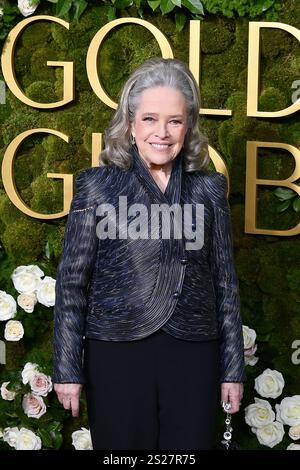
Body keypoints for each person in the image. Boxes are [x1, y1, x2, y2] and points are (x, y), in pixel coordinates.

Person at [53, 57, 245, 450]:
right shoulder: (97, 186)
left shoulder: (208, 190)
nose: (162, 132)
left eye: (174, 120)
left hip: (193, 354)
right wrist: (67, 368)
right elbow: (71, 283)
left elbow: (225, 284)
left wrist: (232, 369)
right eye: (150, 119)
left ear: (188, 126)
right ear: (130, 123)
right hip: (116, 353)